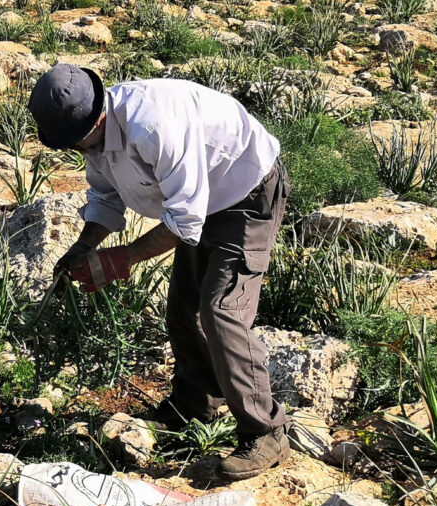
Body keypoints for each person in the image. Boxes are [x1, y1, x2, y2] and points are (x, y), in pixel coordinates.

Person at [28, 63, 292, 480]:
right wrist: (84, 247)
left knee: (222, 312)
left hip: (246, 193)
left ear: (97, 114)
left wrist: (121, 260)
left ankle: (266, 430)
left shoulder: (151, 125)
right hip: (203, 201)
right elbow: (106, 197)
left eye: (78, 141)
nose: (79, 151)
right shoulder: (96, 142)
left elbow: (185, 220)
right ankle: (194, 406)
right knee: (182, 310)